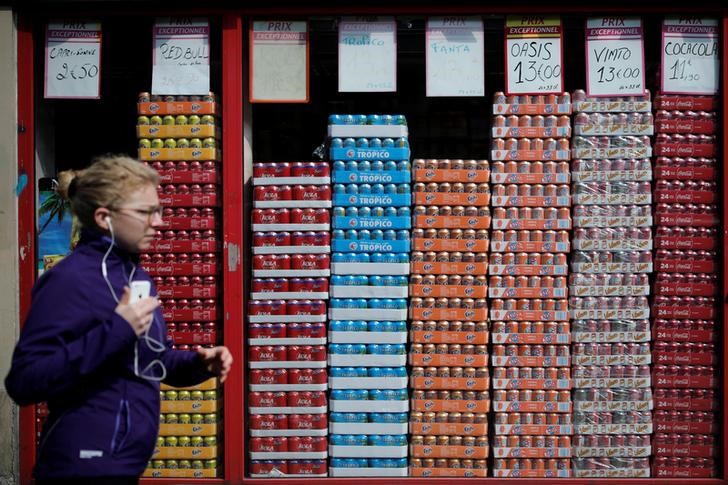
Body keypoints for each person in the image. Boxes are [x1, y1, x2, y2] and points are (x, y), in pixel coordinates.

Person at [5, 155, 233, 484]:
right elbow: (24, 382)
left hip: (124, 465)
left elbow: (152, 359)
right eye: (145, 212)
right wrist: (116, 329)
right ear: (103, 218)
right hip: (79, 469)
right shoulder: (69, 280)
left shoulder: (136, 278)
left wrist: (200, 363)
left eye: (159, 210)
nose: (158, 222)